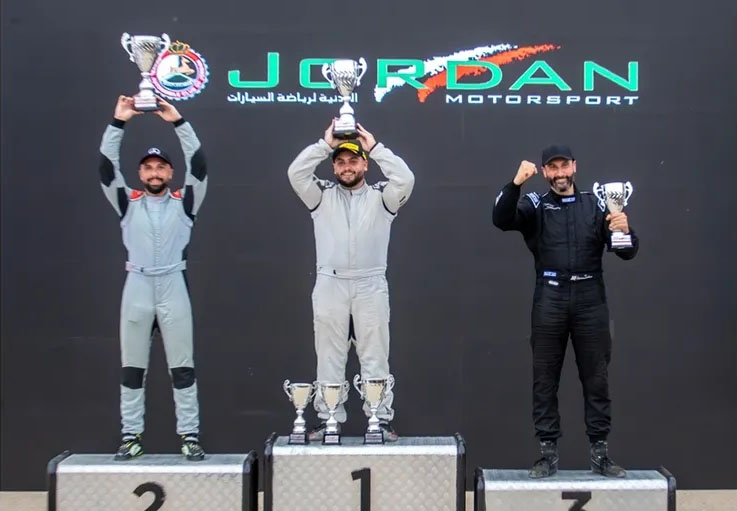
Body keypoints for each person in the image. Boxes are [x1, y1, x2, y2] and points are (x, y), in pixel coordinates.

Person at [492, 145, 638, 478]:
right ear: (545, 172)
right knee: (545, 378)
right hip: (550, 296)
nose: (560, 174)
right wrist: (516, 183)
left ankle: (600, 453)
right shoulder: (535, 204)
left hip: (590, 297)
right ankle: (547, 454)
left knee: (596, 377)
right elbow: (500, 219)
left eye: (564, 167)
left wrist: (623, 229)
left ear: (574, 167)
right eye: (553, 168)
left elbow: (626, 253)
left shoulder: (597, 204)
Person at [287, 121, 415, 442]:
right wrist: (324, 145)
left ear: (365, 164)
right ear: (333, 167)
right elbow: (296, 174)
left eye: (354, 161)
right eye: (341, 162)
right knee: (329, 354)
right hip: (330, 282)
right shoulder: (321, 196)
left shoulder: (382, 197)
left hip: (370, 283)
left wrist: (376, 148)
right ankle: (328, 418)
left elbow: (406, 179)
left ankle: (379, 420)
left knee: (375, 354)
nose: (347, 167)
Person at [99, 95, 208, 461]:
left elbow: (199, 163)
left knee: (183, 368)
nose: (155, 173)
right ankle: (130, 436)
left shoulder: (186, 202)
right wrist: (118, 121)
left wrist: (178, 122)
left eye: (161, 167)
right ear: (140, 174)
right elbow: (106, 166)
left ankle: (190, 436)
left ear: (171, 173)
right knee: (132, 369)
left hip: (173, 284)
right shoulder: (126, 202)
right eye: (148, 168)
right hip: (138, 286)